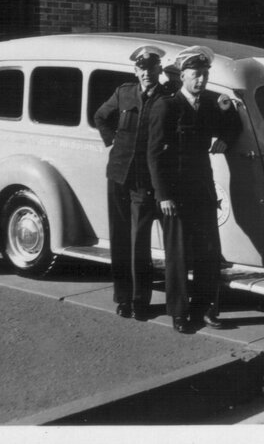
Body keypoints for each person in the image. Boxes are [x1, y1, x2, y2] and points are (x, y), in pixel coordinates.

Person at [147, 45, 241, 333]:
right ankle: (178, 313)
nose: (201, 80)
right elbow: (154, 155)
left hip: (202, 192)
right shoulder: (167, 105)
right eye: (195, 75)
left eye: (204, 74)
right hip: (175, 195)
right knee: (177, 256)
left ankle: (206, 309)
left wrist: (225, 137)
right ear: (183, 75)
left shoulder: (211, 104)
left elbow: (233, 124)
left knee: (208, 253)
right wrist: (163, 196)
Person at [93, 45, 169, 321]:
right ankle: (122, 298)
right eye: (142, 68)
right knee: (120, 240)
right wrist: (110, 140)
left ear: (159, 70)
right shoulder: (123, 93)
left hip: (144, 181)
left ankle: (140, 301)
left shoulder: (166, 98)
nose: (147, 73)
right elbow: (101, 116)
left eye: (152, 68)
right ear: (135, 70)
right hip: (118, 177)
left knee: (139, 242)